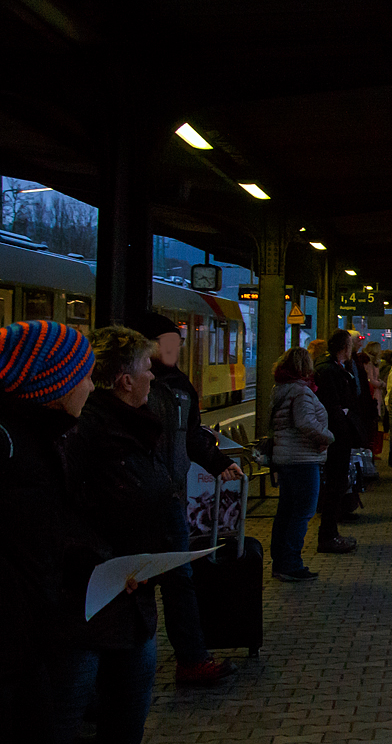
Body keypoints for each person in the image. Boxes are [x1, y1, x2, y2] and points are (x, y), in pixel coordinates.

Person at [58, 326, 178, 744]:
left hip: (131, 596)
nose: (153, 375)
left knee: (127, 713)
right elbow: (62, 512)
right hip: (87, 601)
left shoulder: (136, 425)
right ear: (125, 379)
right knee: (66, 716)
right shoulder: (81, 433)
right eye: (147, 366)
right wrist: (105, 560)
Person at [128, 311, 241, 686]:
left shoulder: (178, 387)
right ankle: (117, 674)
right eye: (167, 343)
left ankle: (192, 659)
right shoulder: (127, 389)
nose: (175, 349)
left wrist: (218, 459)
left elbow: (191, 436)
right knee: (135, 582)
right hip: (135, 497)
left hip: (171, 498)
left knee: (180, 580)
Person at [0, 321, 95, 741]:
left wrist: (91, 566)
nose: (91, 387)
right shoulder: (13, 453)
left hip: (26, 645)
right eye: (84, 376)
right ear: (53, 384)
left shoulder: (37, 440)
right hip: (13, 651)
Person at [268, 347, 333, 581]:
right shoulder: (301, 393)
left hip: (286, 459)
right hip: (303, 459)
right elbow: (306, 423)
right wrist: (327, 437)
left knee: (285, 512)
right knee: (302, 514)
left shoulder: (281, 389)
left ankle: (280, 562)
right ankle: (291, 564)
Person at [312, 329, 359, 553]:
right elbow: (331, 406)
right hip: (335, 437)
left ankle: (331, 533)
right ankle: (328, 536)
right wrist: (343, 418)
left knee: (337, 484)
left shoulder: (335, 369)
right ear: (344, 347)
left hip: (338, 435)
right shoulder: (329, 371)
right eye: (351, 344)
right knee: (334, 485)